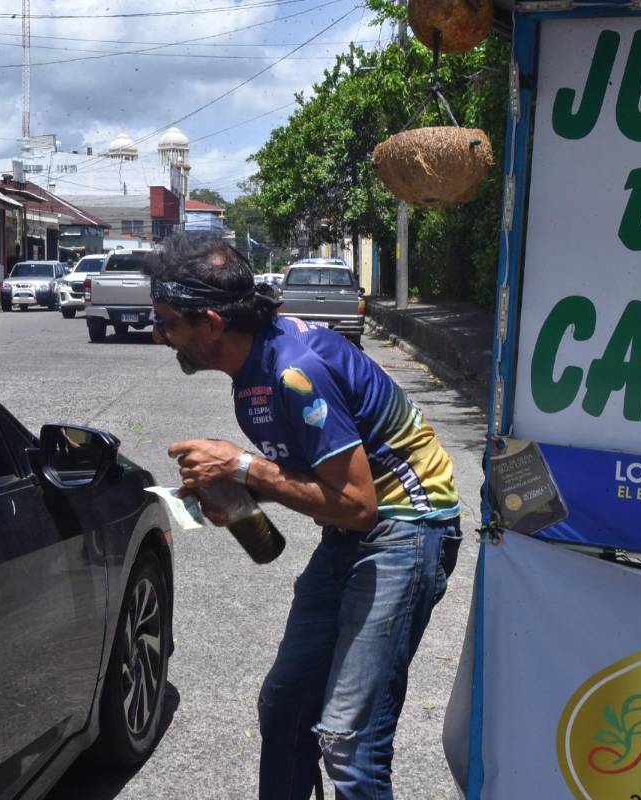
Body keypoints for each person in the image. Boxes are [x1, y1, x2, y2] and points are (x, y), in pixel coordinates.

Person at [149, 234, 462, 800]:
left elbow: (361, 506)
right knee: (286, 705)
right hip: (352, 533)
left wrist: (245, 466)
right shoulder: (251, 375)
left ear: (212, 321)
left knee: (349, 739)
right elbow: (317, 481)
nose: (158, 334)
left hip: (407, 528)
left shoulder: (297, 369)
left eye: (168, 321)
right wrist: (239, 489)